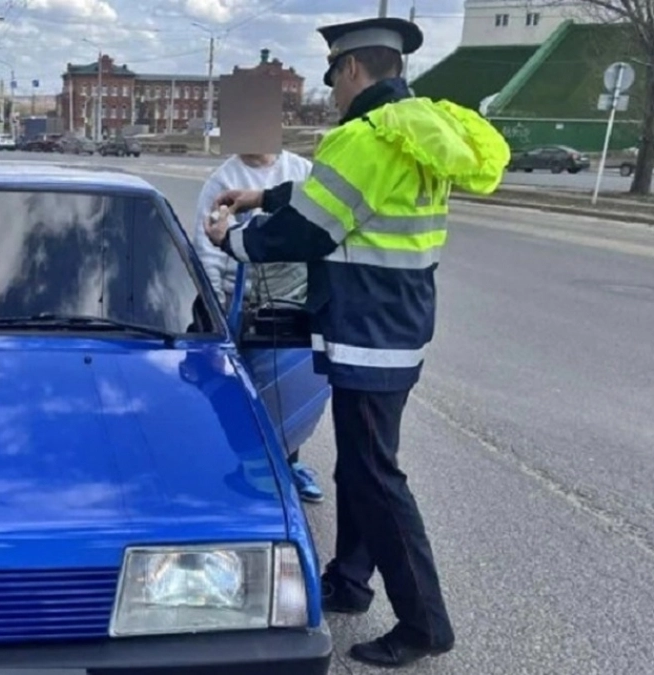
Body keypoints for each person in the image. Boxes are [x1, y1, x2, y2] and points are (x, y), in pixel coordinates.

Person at [203, 16, 509, 669]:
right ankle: (349, 579)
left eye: (334, 78)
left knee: (376, 477)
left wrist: (232, 238)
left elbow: (308, 230)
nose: (335, 93)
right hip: (395, 326)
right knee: (361, 468)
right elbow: (339, 195)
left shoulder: (365, 137)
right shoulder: (414, 131)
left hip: (367, 333)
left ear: (350, 69)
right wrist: (264, 194)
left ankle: (425, 623)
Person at [193, 151, 325, 504]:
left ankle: (288, 464)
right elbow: (208, 252)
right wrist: (217, 313)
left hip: (295, 302)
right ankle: (246, 464)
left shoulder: (301, 170)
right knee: (241, 392)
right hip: (242, 307)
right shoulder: (223, 181)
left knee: (289, 388)